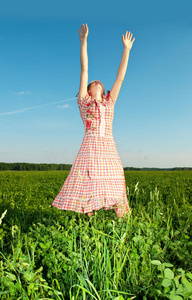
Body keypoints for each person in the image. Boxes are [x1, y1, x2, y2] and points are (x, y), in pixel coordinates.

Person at [52, 23, 135, 219]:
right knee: (88, 181)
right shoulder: (84, 104)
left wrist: (126, 50)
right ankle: (90, 222)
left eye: (100, 82)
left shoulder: (110, 103)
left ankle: (122, 219)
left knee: (116, 179)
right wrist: (84, 42)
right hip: (90, 146)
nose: (97, 81)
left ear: (103, 90)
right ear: (89, 90)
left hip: (108, 145)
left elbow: (120, 78)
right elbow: (84, 70)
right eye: (93, 83)